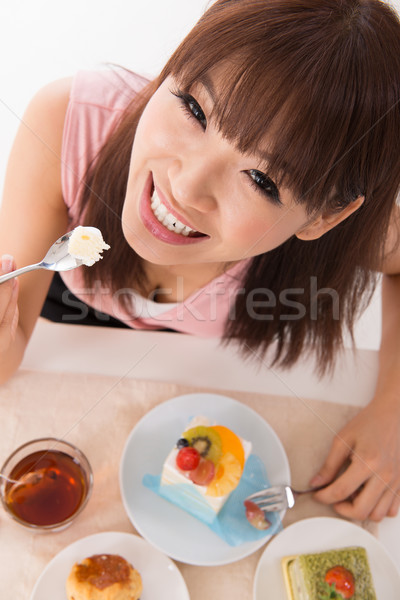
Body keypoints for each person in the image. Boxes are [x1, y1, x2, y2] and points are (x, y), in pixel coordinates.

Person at [0, 0, 400, 522]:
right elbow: (11, 350)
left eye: (262, 179)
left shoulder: (346, 236)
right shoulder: (69, 125)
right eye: (194, 108)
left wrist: (392, 408)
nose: (185, 187)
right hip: (72, 314)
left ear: (323, 217)